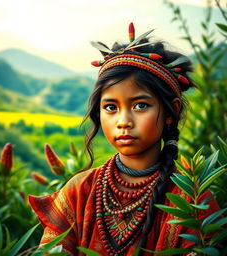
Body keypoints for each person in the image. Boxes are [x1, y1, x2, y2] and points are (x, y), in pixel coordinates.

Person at [29, 23, 219, 256]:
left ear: (171, 113)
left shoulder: (194, 201)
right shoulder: (78, 191)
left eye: (140, 105)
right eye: (110, 107)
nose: (123, 121)